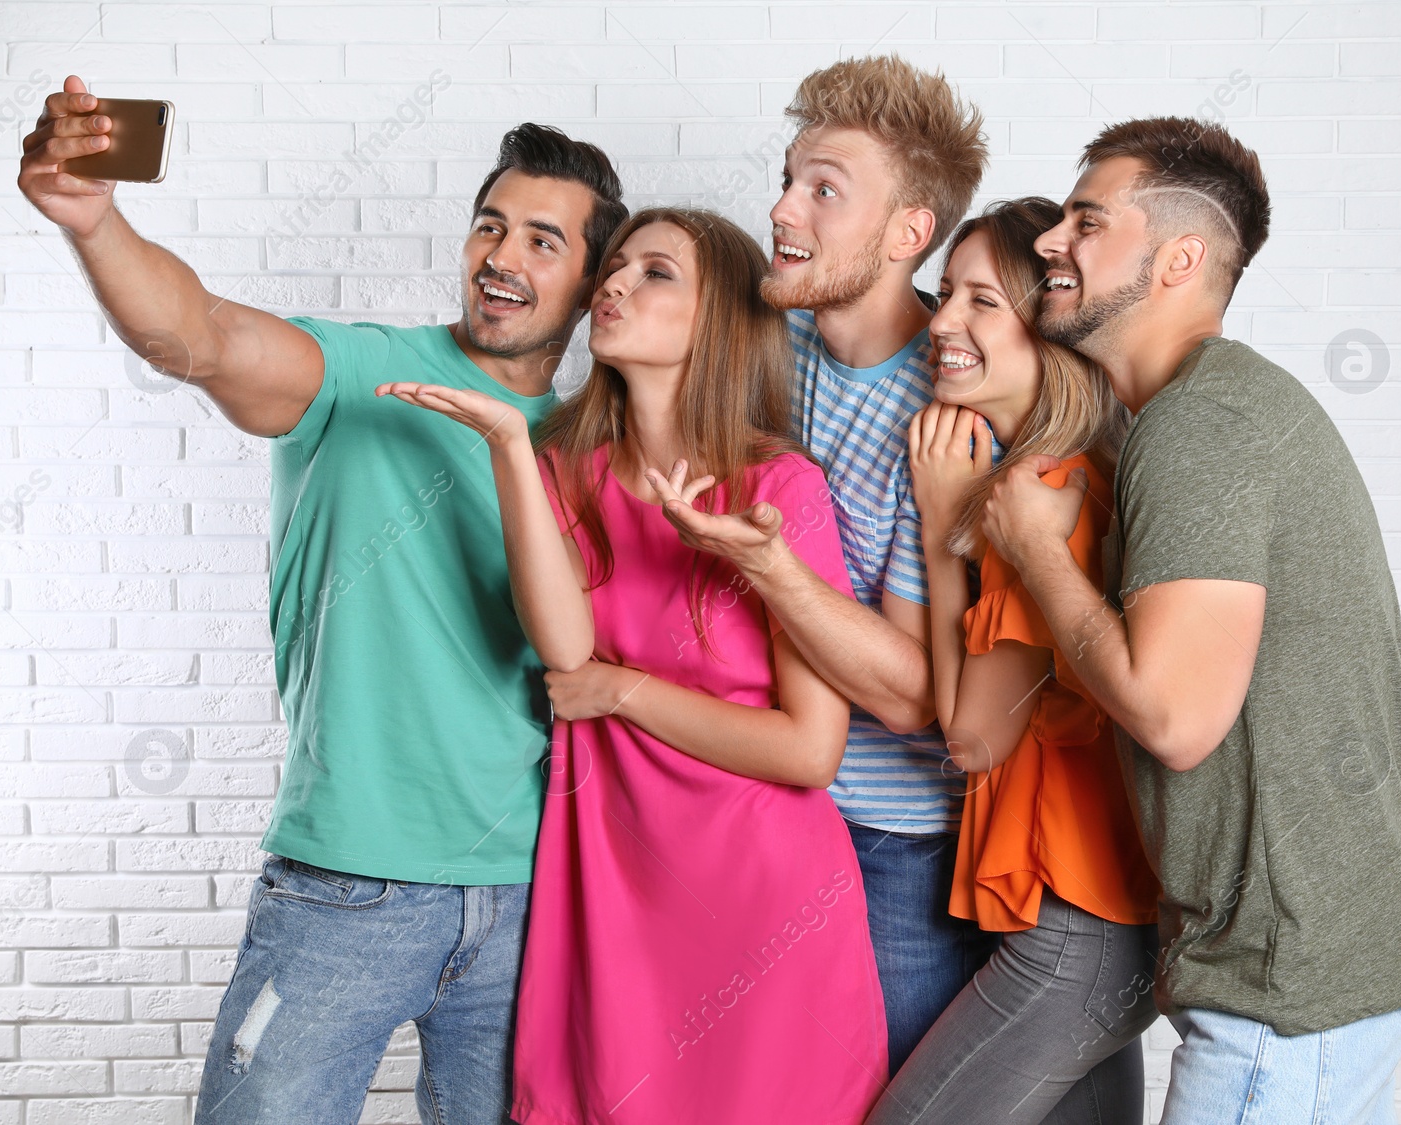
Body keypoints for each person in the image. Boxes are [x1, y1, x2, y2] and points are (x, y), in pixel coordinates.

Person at [18, 75, 628, 1124]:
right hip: (344, 888)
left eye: (542, 241)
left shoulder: (597, 447)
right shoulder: (363, 376)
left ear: (586, 285)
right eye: (491, 227)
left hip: (533, 894)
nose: (502, 258)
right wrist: (97, 222)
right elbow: (198, 335)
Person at [983, 118, 1401, 1122]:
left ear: (1178, 259)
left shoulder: (1200, 426)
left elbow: (1173, 716)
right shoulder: (1217, 412)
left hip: (1285, 991)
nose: (1052, 242)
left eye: (1088, 220)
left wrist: (1028, 551)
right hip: (1304, 973)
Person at [377, 207, 886, 1125]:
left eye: (655, 273)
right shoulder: (573, 473)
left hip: (765, 910)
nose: (613, 284)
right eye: (614, 267)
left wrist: (625, 690)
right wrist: (508, 449)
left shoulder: (778, 489)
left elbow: (810, 751)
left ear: (717, 320)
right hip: (615, 897)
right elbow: (565, 650)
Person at [654, 55, 995, 1074]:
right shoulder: (764, 349)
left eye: (823, 190)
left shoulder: (948, 418)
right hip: (751, 806)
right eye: (789, 178)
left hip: (893, 847)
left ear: (907, 235)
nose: (782, 208)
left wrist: (771, 571)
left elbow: (907, 695)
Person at [863, 198, 1162, 1124]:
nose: (941, 321)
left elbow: (972, 737)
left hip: (1080, 936)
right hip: (1102, 925)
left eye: (980, 301)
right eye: (945, 292)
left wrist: (944, 525)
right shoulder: (1071, 473)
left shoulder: (1042, 500)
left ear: (1050, 330)